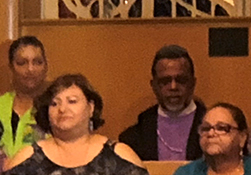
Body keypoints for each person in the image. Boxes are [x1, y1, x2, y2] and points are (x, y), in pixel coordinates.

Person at [4, 73, 146, 175]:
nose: (62, 109)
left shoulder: (119, 155)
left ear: (90, 108)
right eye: (54, 104)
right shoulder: (26, 158)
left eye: (72, 101)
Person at [119, 44, 206, 160]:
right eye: (165, 81)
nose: (173, 87)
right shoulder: (133, 138)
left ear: (192, 83)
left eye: (181, 80)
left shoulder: (215, 131)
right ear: (153, 85)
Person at [174, 103, 251, 175]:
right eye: (206, 128)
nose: (211, 133)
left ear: (242, 137)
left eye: (222, 128)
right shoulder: (186, 173)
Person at [0, 37, 48, 163]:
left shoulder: (55, 107)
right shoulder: (1, 105)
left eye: (38, 62)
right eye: (22, 63)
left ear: (46, 67)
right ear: (11, 67)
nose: (30, 69)